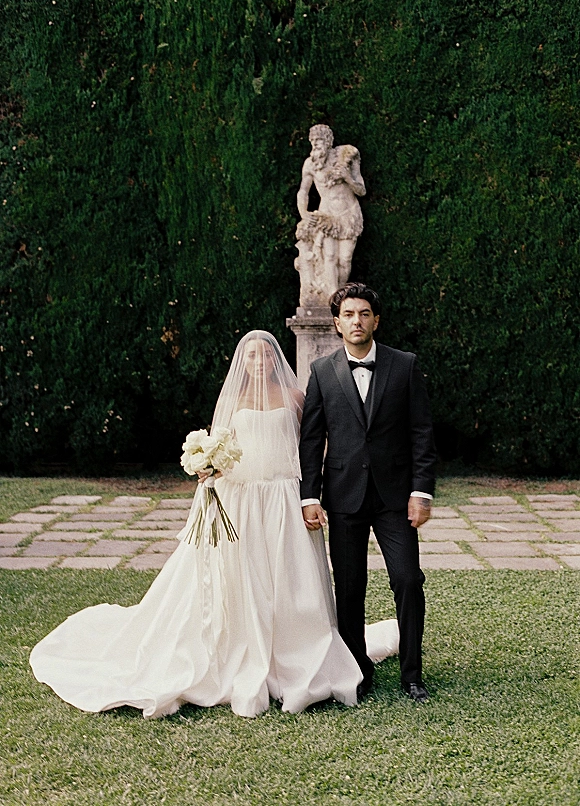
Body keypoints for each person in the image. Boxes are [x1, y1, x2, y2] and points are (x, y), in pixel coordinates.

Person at [30, 331, 398, 719]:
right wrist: (208, 466)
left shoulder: (294, 398)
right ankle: (240, 648)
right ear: (244, 361)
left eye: (265, 356)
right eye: (252, 356)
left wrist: (311, 492)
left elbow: (310, 445)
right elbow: (220, 443)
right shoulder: (233, 400)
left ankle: (296, 649)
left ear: (275, 360)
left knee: (292, 578)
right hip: (240, 498)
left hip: (284, 498)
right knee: (243, 576)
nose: (259, 362)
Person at [299, 284, 437, 703]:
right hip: (343, 497)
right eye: (348, 315)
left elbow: (421, 432)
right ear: (337, 323)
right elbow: (311, 438)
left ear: (376, 320)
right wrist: (310, 496)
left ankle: (412, 674)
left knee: (408, 580)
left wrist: (421, 491)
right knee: (350, 586)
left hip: (396, 497)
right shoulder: (322, 371)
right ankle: (357, 672)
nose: (356, 322)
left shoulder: (404, 366)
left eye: (364, 314)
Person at [295, 124, 366, 305]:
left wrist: (347, 177)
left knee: (345, 259)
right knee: (330, 257)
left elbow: (361, 190)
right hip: (327, 216)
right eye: (313, 142)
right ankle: (334, 299)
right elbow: (303, 191)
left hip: (348, 214)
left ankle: (337, 296)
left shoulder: (346, 157)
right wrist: (304, 213)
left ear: (328, 142)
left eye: (319, 141)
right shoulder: (310, 164)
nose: (315, 145)